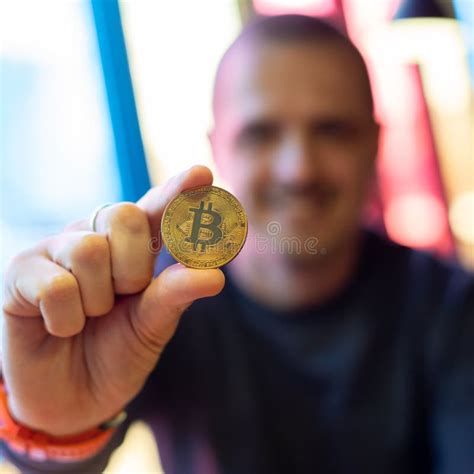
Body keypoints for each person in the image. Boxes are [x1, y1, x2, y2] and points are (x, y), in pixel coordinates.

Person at [1, 14, 473, 474]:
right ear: (217, 148)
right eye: (261, 133)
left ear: (373, 145)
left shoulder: (453, 308)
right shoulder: (152, 298)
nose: (299, 169)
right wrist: (56, 430)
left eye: (331, 130)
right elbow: (59, 451)